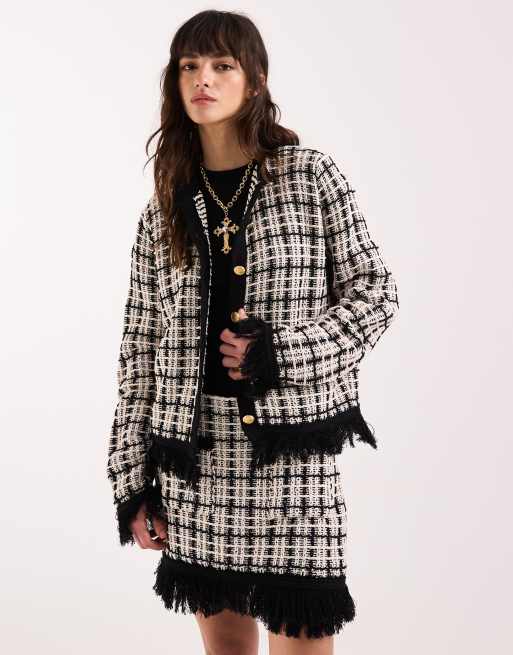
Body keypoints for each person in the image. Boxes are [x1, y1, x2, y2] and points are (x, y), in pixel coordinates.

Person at [106, 9, 399, 655]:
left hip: (289, 457)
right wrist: (132, 479)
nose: (202, 79)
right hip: (195, 460)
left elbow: (375, 294)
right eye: (189, 66)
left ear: (255, 80)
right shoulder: (165, 208)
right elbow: (139, 351)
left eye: (222, 65)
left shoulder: (309, 176)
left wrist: (282, 351)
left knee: (303, 635)